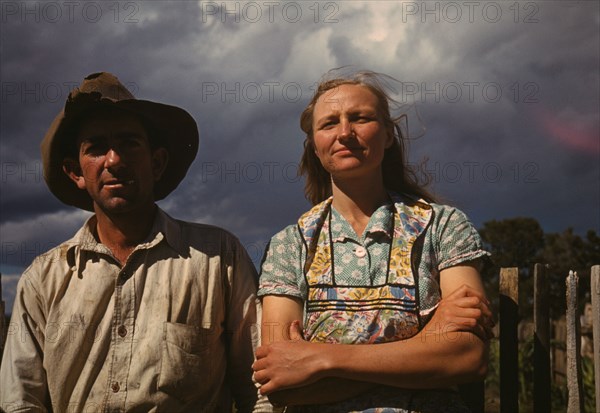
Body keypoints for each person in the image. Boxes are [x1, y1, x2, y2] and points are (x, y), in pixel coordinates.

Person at [0, 72, 270, 413]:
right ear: (76, 172)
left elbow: (260, 389)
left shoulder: (218, 259)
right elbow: (20, 401)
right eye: (96, 147)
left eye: (129, 143)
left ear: (157, 163)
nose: (114, 160)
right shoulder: (43, 279)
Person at [252, 70, 494, 412]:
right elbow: (280, 384)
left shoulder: (443, 226)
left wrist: (322, 359)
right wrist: (426, 342)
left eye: (360, 118)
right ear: (314, 147)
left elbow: (468, 358)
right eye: (329, 124)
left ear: (389, 135)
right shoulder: (290, 246)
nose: (345, 133)